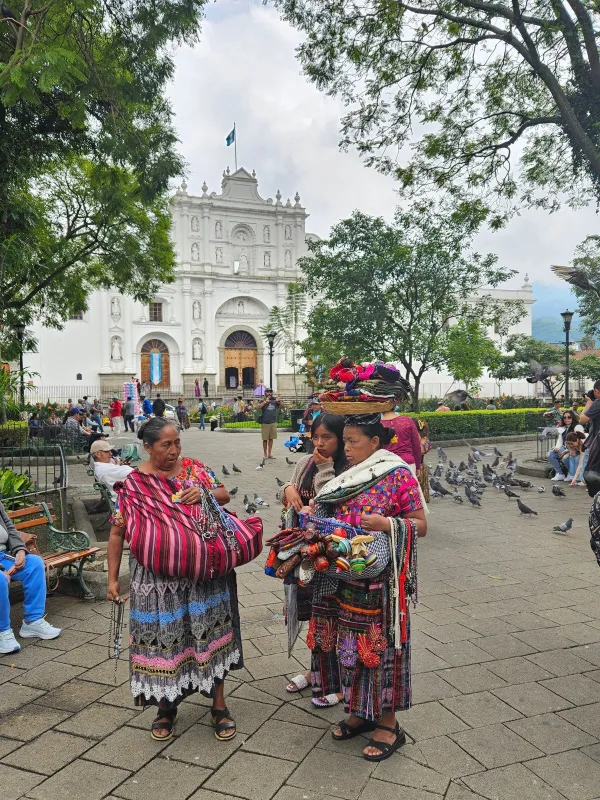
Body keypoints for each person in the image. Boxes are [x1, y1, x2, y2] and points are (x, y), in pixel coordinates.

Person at [106, 418, 241, 742]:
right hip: (155, 584)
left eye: (177, 442)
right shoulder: (135, 484)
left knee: (210, 636)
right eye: (166, 444)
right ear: (148, 447)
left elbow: (223, 495)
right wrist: (112, 578)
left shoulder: (194, 469)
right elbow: (117, 530)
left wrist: (203, 492)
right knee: (162, 639)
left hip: (201, 577)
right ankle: (166, 706)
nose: (174, 450)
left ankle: (219, 705)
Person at [303, 413, 426, 761]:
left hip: (379, 585)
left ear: (375, 443)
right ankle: (359, 711)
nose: (347, 448)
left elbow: (420, 524)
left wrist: (386, 523)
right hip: (341, 578)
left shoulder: (397, 473)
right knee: (347, 645)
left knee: (378, 648)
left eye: (354, 441)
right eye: (346, 441)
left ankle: (388, 723)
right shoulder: (349, 475)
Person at [277, 413, 347, 706]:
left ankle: (341, 681)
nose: (319, 443)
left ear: (342, 439)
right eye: (315, 436)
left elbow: (329, 502)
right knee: (315, 617)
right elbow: (287, 493)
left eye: (326, 437)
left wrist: (325, 468)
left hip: (331, 557)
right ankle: (315, 671)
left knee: (335, 618)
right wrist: (288, 489)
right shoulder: (306, 462)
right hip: (304, 555)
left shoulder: (346, 467)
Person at [0, 499, 62, 654]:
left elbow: (10, 528)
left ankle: (32, 621)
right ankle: (3, 632)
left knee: (34, 563)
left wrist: (20, 550)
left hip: (2, 555)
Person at [381, 395, 422, 472]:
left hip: (386, 466)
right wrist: (418, 466)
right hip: (407, 465)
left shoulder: (378, 425)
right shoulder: (407, 421)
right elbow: (416, 445)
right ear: (395, 405)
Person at [548, 410, 584, 480]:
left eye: (569, 417)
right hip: (566, 448)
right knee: (551, 454)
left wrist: (568, 450)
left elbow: (580, 442)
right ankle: (560, 473)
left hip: (576, 450)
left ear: (573, 418)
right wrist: (557, 447)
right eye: (565, 418)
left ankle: (571, 473)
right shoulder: (563, 427)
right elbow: (560, 439)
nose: (566, 419)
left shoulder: (577, 427)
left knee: (566, 457)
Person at [256, 389, 281, 459]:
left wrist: (279, 400)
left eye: (270, 392)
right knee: (265, 439)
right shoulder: (262, 400)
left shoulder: (274, 400)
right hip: (265, 422)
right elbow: (258, 407)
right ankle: (265, 454)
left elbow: (282, 406)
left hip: (273, 422)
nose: (269, 393)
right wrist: (265, 402)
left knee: (271, 439)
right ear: (265, 393)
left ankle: (269, 453)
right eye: (268, 392)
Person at [415, 419, 432, 502]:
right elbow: (427, 449)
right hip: (423, 465)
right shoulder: (426, 440)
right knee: (423, 485)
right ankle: (424, 499)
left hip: (415, 466)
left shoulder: (414, 440)